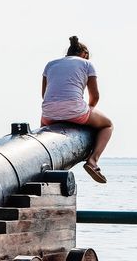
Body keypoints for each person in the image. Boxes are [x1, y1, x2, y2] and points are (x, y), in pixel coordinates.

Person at [41, 36, 112, 183]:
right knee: (108, 125)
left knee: (42, 138)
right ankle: (93, 161)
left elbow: (44, 94)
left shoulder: (50, 64)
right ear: (84, 54)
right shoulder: (87, 64)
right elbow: (95, 96)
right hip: (75, 110)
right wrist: (88, 110)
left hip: (48, 113)